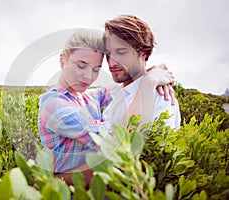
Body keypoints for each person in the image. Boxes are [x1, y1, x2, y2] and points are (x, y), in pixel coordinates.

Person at [38, 29, 175, 186]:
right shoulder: (54, 106)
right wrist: (149, 82)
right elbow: (115, 139)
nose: (88, 76)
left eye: (96, 69)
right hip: (70, 191)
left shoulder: (84, 96)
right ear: (63, 61)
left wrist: (151, 73)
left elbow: (118, 88)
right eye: (81, 66)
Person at [102, 15, 181, 130]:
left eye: (121, 52)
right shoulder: (116, 95)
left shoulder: (160, 97)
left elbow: (155, 146)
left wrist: (149, 82)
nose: (112, 63)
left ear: (143, 53)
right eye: (108, 53)